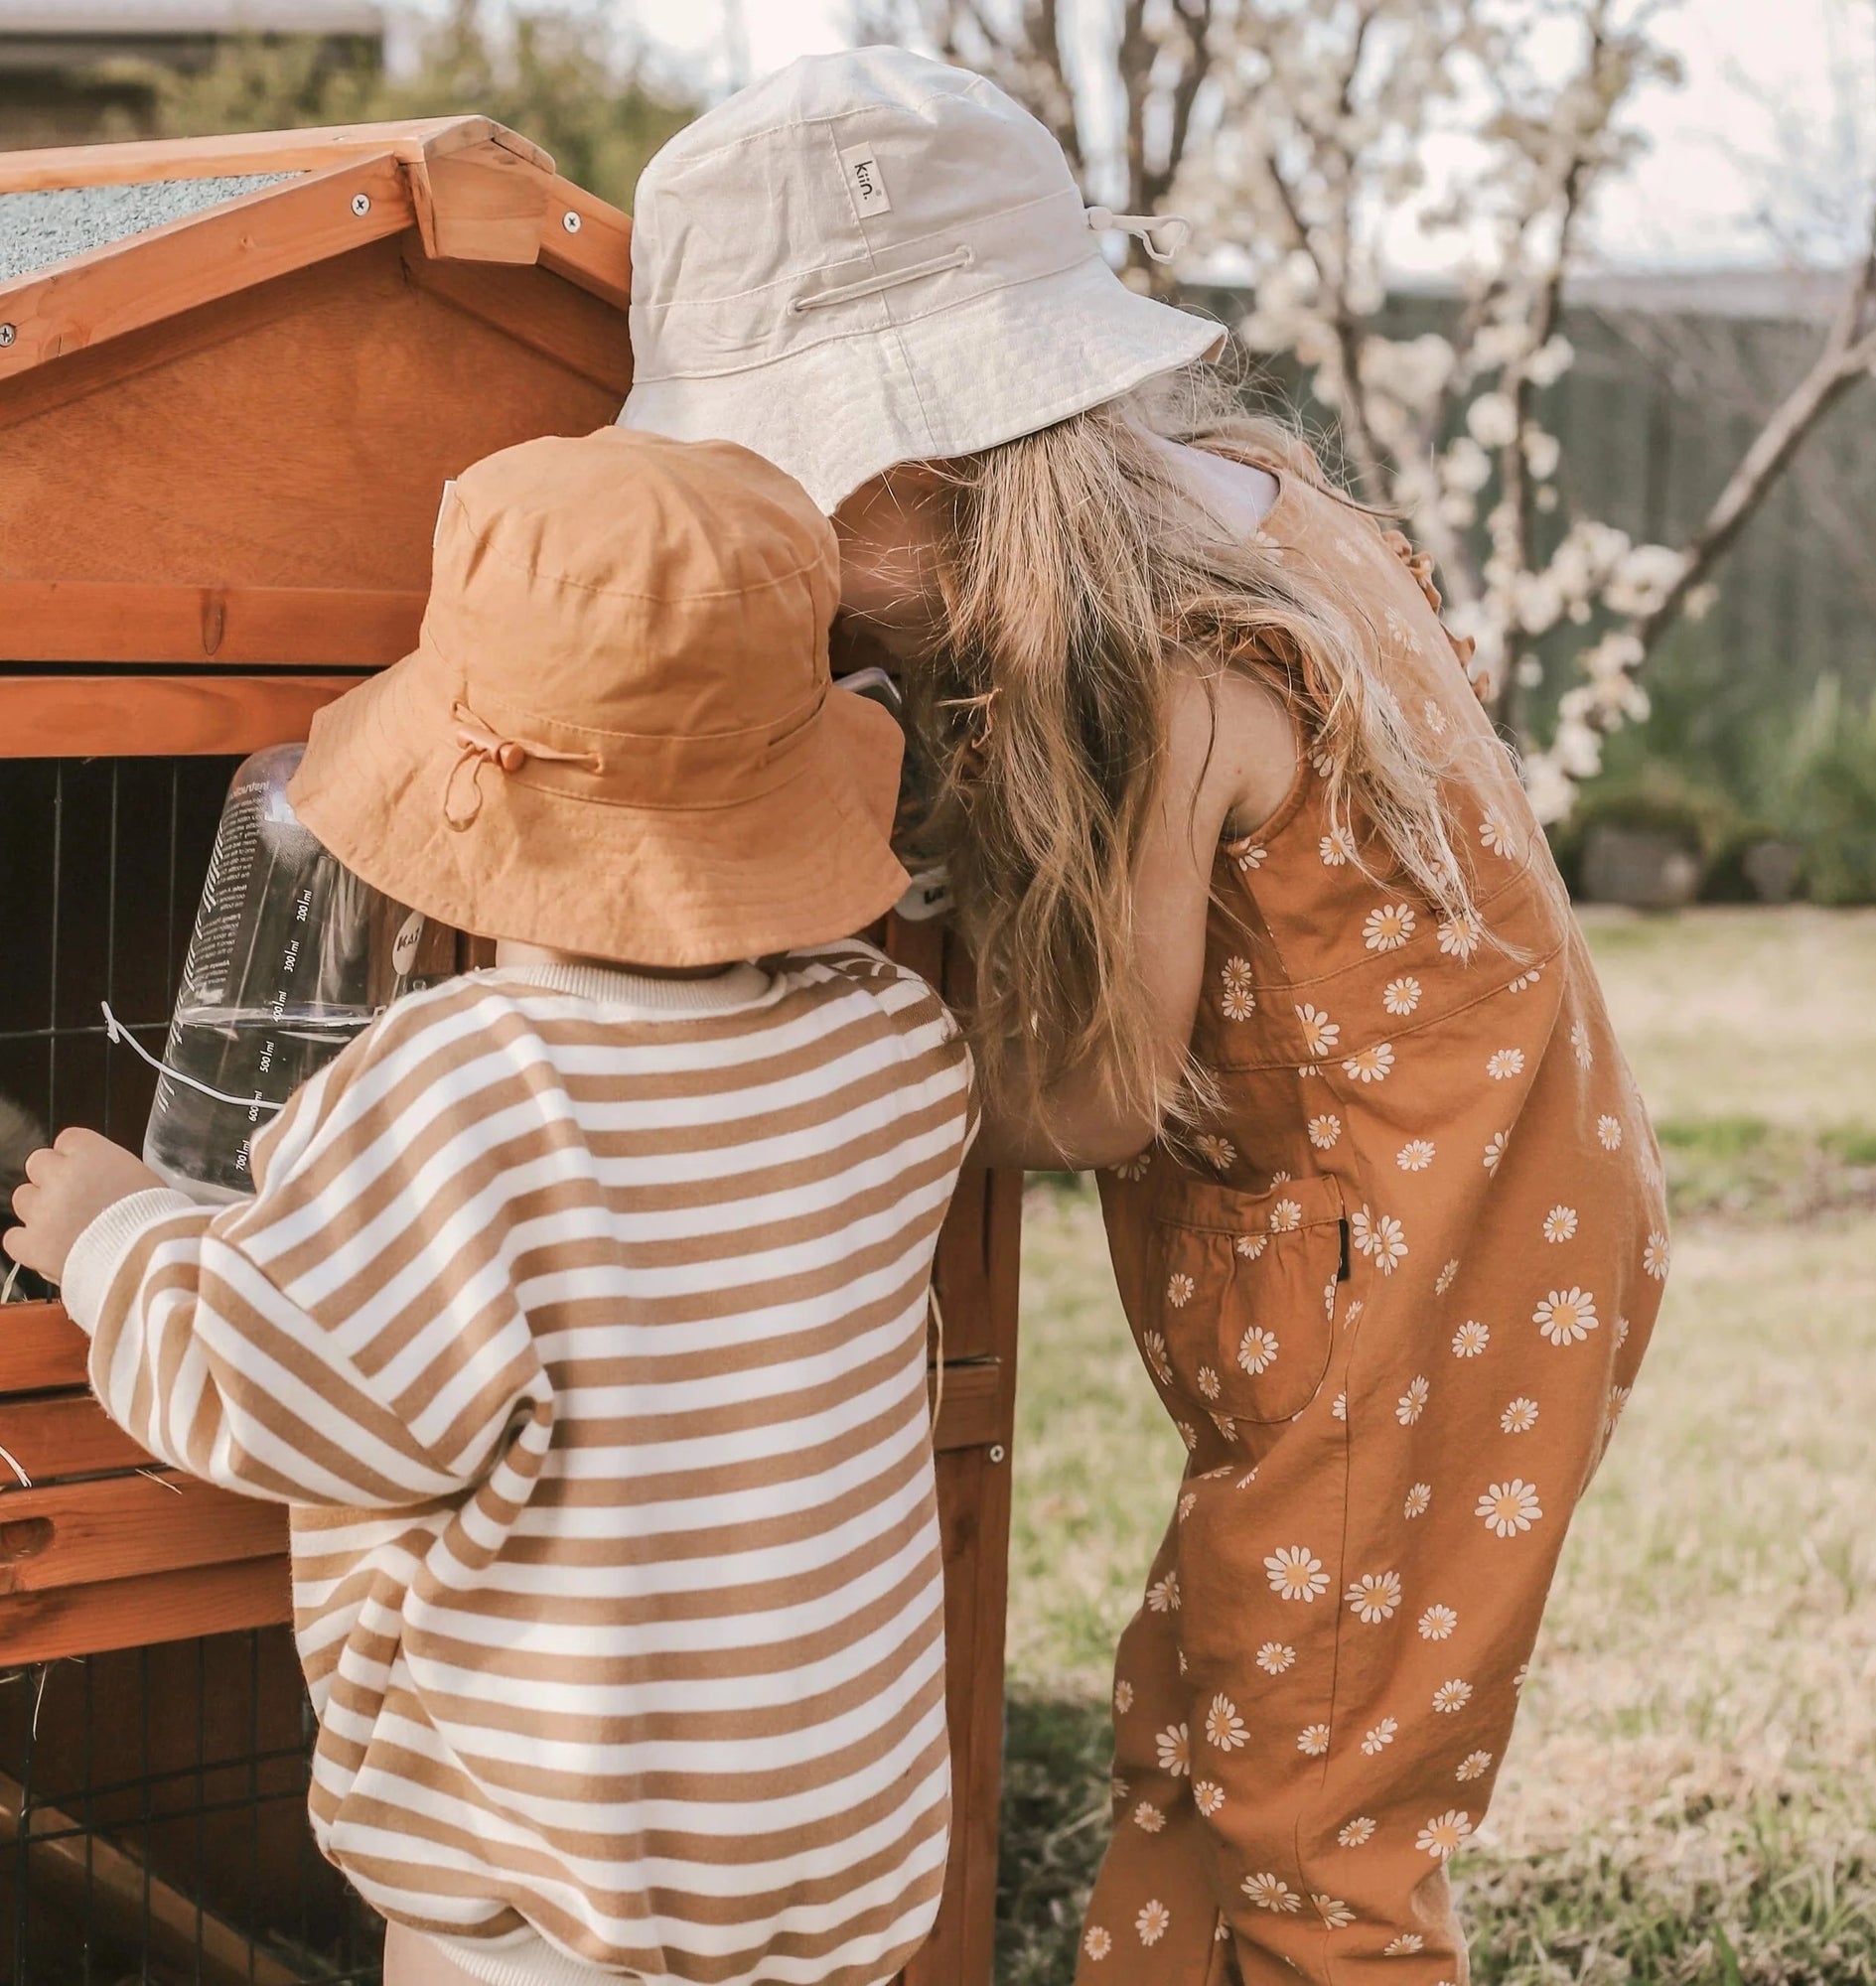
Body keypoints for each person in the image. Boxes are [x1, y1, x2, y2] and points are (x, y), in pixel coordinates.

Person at [618, 47, 1669, 1985]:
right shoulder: (1252, 507)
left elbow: (1095, 1090)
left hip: (1408, 1284)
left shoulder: (1174, 682)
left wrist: (829, 1075)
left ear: (922, 460)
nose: (782, 579)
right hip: (1449, 1229)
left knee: (1319, 1838)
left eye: (779, 504)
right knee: (1199, 1726)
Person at [3, 430, 976, 1986]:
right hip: (832, 1860)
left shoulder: (459, 1090)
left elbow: (290, 1383)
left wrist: (117, 1239)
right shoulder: (896, 1053)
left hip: (548, 1897)